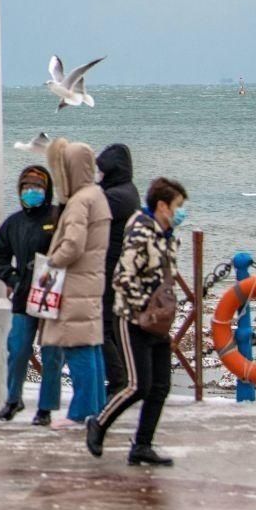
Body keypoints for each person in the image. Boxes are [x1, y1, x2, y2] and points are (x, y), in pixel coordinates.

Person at [88, 177, 186, 466]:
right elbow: (123, 278)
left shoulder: (168, 236)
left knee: (160, 386)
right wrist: (144, 308)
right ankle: (99, 423)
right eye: (178, 206)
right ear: (162, 205)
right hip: (132, 319)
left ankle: (142, 445)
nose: (182, 212)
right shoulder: (140, 233)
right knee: (137, 385)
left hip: (158, 322)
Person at [37, 139, 110, 426]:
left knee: (76, 345)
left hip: (75, 283)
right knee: (90, 344)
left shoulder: (80, 201)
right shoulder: (98, 196)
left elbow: (73, 245)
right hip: (92, 280)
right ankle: (97, 407)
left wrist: (52, 261)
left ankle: (80, 412)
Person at [0, 165, 56, 420]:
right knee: (17, 349)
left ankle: (46, 407)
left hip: (53, 294)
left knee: (51, 353)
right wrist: (12, 278)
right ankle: (13, 398)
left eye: (36, 188)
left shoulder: (57, 217)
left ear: (46, 190)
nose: (30, 192)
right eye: (26, 188)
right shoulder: (13, 223)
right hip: (23, 293)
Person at [96, 143, 139, 398]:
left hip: (110, 268)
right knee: (113, 326)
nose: (99, 176)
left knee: (103, 327)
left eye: (102, 171)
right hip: (117, 268)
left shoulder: (115, 197)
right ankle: (124, 377)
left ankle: (118, 380)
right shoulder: (126, 191)